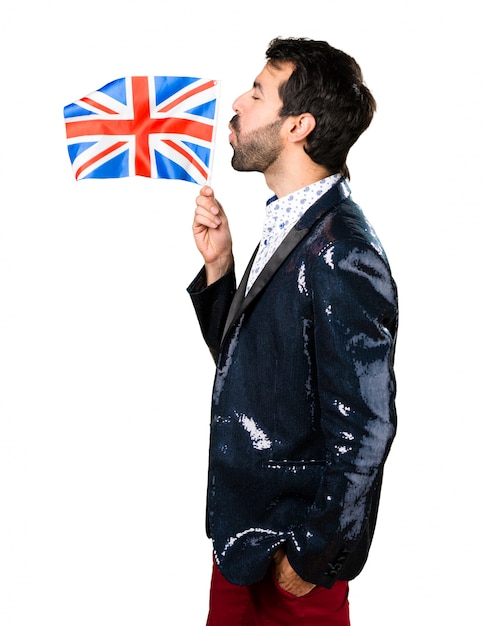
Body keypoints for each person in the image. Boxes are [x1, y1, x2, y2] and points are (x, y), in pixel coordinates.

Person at [187, 37, 398, 626]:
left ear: (298, 126)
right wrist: (221, 270)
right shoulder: (288, 222)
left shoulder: (343, 250)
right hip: (239, 546)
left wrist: (312, 554)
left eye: (257, 93)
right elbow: (254, 370)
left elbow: (367, 424)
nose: (236, 102)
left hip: (291, 566)